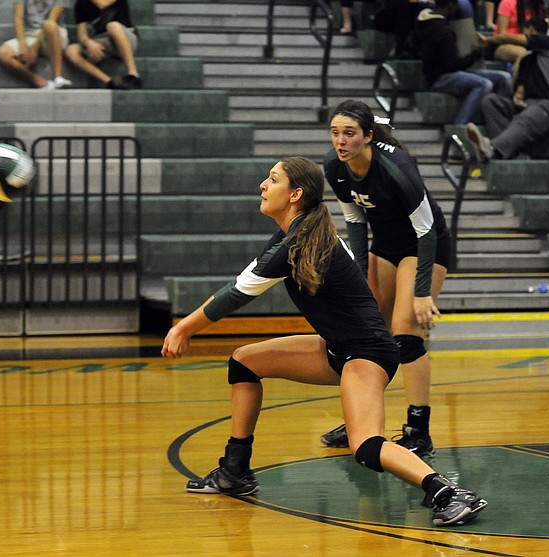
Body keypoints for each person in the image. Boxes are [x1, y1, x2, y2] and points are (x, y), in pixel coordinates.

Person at [161, 156, 487, 527]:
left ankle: (448, 492)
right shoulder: (292, 236)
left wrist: (183, 328)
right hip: (338, 348)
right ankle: (235, 471)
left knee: (364, 446)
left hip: (366, 354)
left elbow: (232, 296)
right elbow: (239, 283)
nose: (262, 186)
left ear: (295, 194)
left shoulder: (298, 243)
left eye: (272, 180)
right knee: (244, 362)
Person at [319, 100, 452, 457]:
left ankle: (418, 430)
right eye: (335, 133)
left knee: (404, 331)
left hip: (425, 245)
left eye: (349, 133)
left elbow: (426, 232)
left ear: (368, 136)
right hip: (388, 245)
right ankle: (360, 422)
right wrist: (359, 279)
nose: (341, 141)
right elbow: (356, 224)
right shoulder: (336, 169)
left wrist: (422, 293)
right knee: (365, 330)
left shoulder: (396, 168)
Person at [465, 16, 549, 162]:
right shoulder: (525, 60)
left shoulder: (548, 44)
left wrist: (490, 40)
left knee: (528, 116)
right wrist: (517, 98)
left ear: (530, 29)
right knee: (491, 102)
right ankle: (513, 154)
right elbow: (519, 92)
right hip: (527, 105)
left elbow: (509, 39)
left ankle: (492, 148)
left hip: (546, 107)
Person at [413, 0, 511, 124]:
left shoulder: (423, 21)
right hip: (439, 77)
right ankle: (459, 125)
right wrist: (475, 54)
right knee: (483, 84)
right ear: (450, 6)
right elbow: (453, 65)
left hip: (450, 72)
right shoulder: (444, 31)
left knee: (504, 77)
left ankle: (499, 121)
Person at [64, 0, 142, 89]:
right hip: (104, 41)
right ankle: (109, 82)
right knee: (71, 50)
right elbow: (82, 34)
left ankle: (133, 74)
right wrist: (88, 42)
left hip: (127, 37)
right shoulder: (81, 4)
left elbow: (102, 4)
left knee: (112, 26)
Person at [0, 0, 72, 90]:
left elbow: (52, 20)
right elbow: (18, 18)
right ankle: (39, 81)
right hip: (30, 35)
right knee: (2, 53)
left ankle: (58, 77)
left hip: (54, 34)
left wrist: (35, 48)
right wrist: (23, 45)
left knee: (49, 26)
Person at [492, 0, 545, 65]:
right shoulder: (507, 2)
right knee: (523, 53)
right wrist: (522, 39)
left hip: (528, 44)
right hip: (502, 45)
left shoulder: (538, 7)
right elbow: (502, 35)